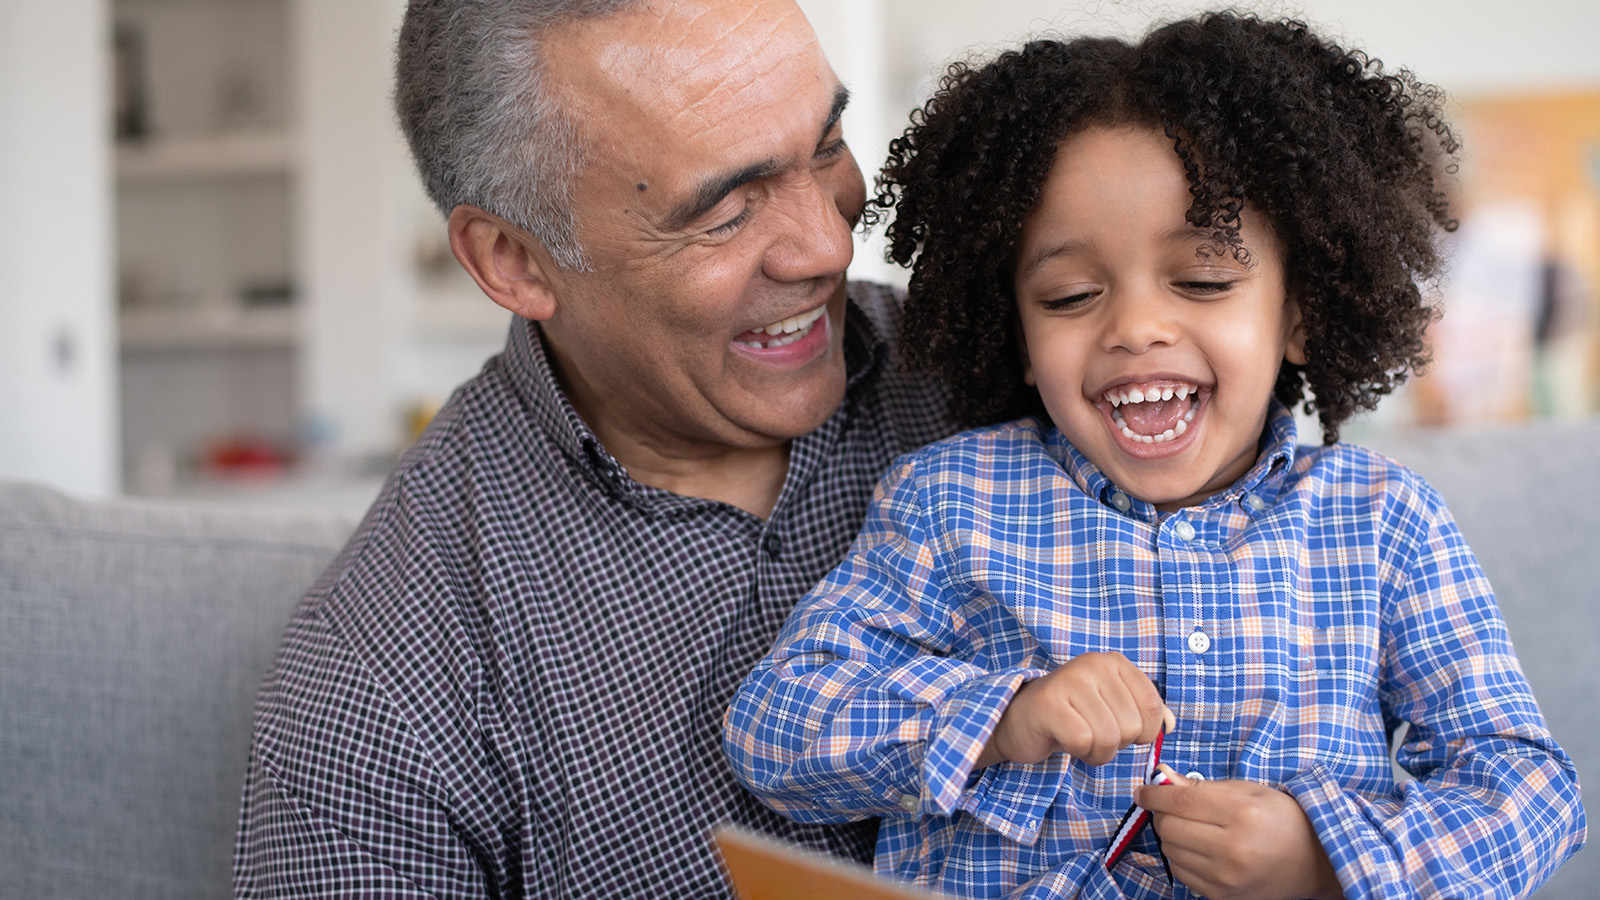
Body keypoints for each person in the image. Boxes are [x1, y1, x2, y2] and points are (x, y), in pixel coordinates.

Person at [723, 12, 1586, 900]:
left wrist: (1325, 859)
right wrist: (1002, 718)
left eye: (1205, 280)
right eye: (1070, 295)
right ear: (1016, 333)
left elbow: (1531, 792)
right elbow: (775, 731)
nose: (1135, 327)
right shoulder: (949, 502)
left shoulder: (1382, 521)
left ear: (1299, 313)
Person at [232, 0, 954, 896]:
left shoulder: (1018, 385)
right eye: (726, 210)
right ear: (513, 261)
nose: (831, 242)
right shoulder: (382, 683)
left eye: (826, 144)